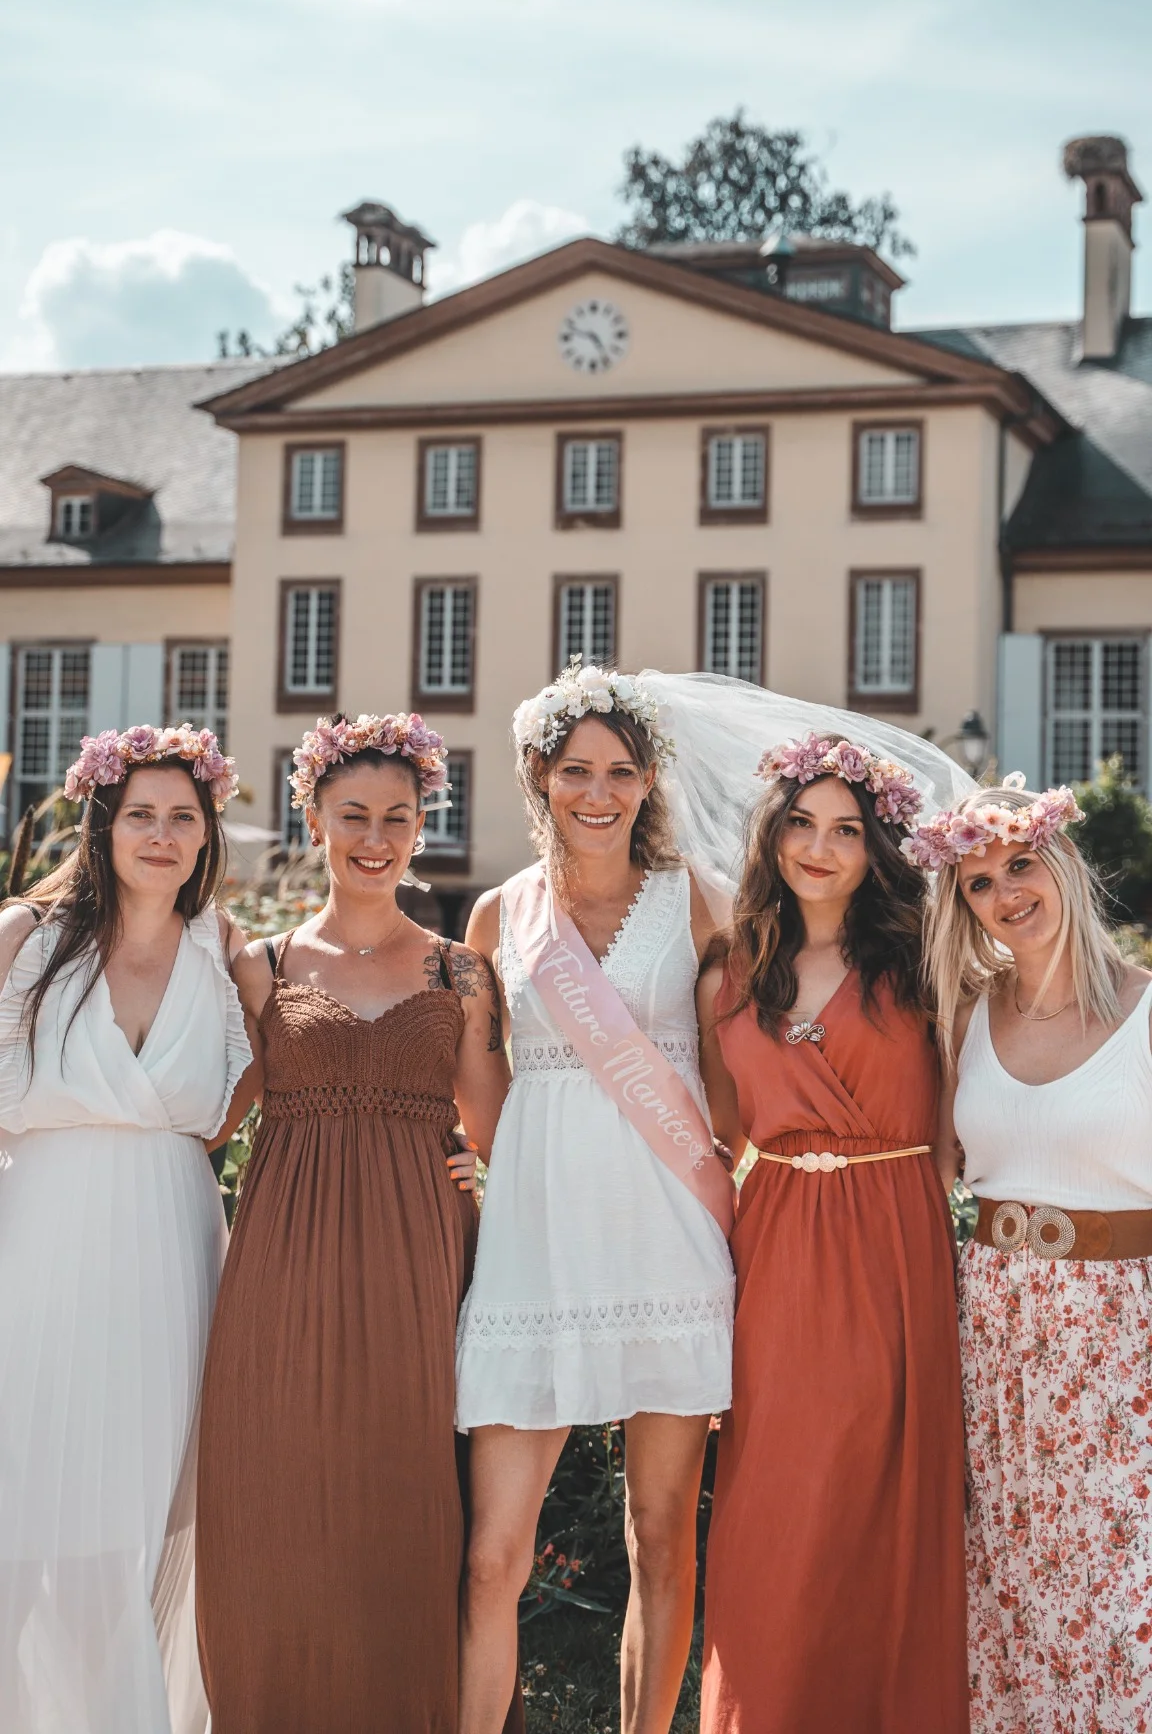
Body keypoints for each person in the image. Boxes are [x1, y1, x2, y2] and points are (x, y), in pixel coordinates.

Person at [195, 712, 515, 1734]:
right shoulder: (266, 963)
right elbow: (209, 1114)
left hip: (420, 1256)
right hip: (282, 1259)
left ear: (423, 824)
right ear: (314, 817)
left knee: (405, 1497)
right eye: (353, 814)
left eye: (399, 815)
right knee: (274, 1492)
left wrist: (486, 1175)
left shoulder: (460, 971)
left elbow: (501, 1125)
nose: (375, 835)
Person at [456, 662, 736, 1734]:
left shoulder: (699, 899)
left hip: (665, 1241)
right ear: (541, 773)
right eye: (576, 768)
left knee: (662, 1534)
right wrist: (449, 1156)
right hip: (537, 1250)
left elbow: (732, 1081)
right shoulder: (496, 915)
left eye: (621, 769)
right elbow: (481, 1101)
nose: (599, 790)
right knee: (492, 1555)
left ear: (650, 777)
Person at [698, 733, 969, 1734]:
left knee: (882, 1502)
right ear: (771, 834)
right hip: (772, 1251)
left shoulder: (927, 958)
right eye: (802, 822)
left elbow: (958, 1119)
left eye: (847, 829)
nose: (820, 846)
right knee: (778, 1503)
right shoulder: (731, 973)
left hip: (894, 1241)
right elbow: (724, 1132)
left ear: (874, 848)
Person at [0, 723, 250, 1734]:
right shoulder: (24, 932)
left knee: (148, 1501)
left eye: (183, 816)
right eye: (141, 812)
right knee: (29, 1484)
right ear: (103, 822)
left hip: (174, 1241)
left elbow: (266, 1095)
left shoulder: (226, 950)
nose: (161, 833)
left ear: (205, 836)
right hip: (42, 1235)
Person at [917, 775, 1152, 1734]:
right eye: (978, 883)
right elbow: (934, 1179)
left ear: (1061, 863)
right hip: (996, 1333)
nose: (1006, 893)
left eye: (1020, 865)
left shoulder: (1147, 1009)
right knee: (1010, 1589)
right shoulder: (963, 1017)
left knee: (1119, 1593)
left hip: (1123, 1339)